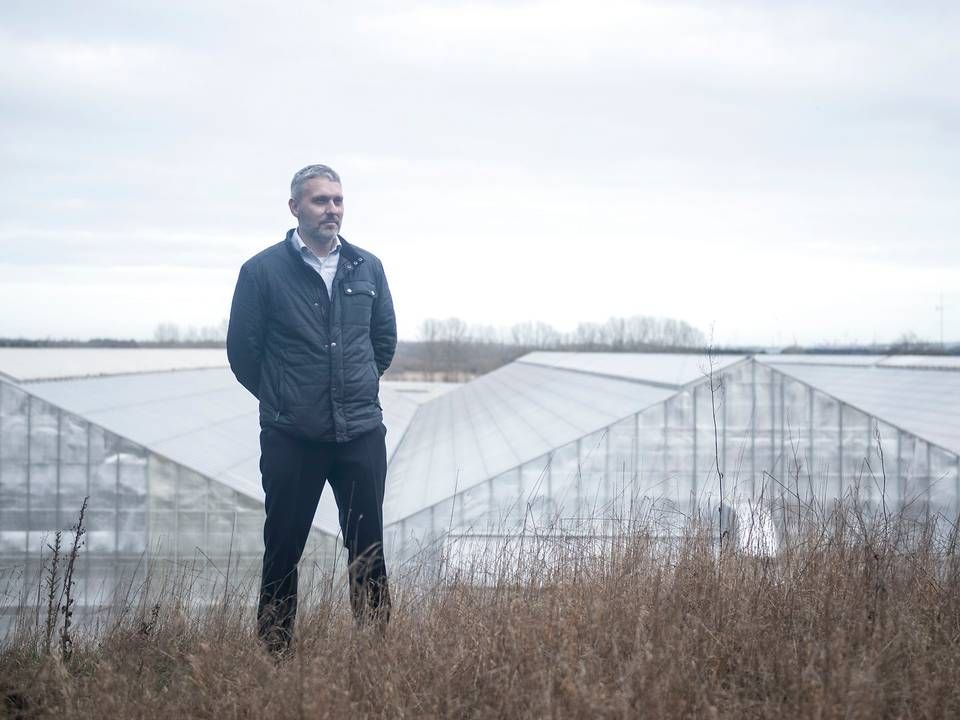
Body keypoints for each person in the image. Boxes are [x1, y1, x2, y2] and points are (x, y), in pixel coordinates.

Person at [227, 164, 397, 652]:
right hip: (291, 437)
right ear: (295, 207)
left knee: (369, 551)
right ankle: (274, 657)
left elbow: (382, 343)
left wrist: (353, 389)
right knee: (283, 550)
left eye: (338, 200)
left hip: (360, 433)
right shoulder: (261, 272)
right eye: (321, 200)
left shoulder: (368, 267)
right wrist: (285, 399)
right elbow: (243, 353)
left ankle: (375, 653)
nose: (332, 210)